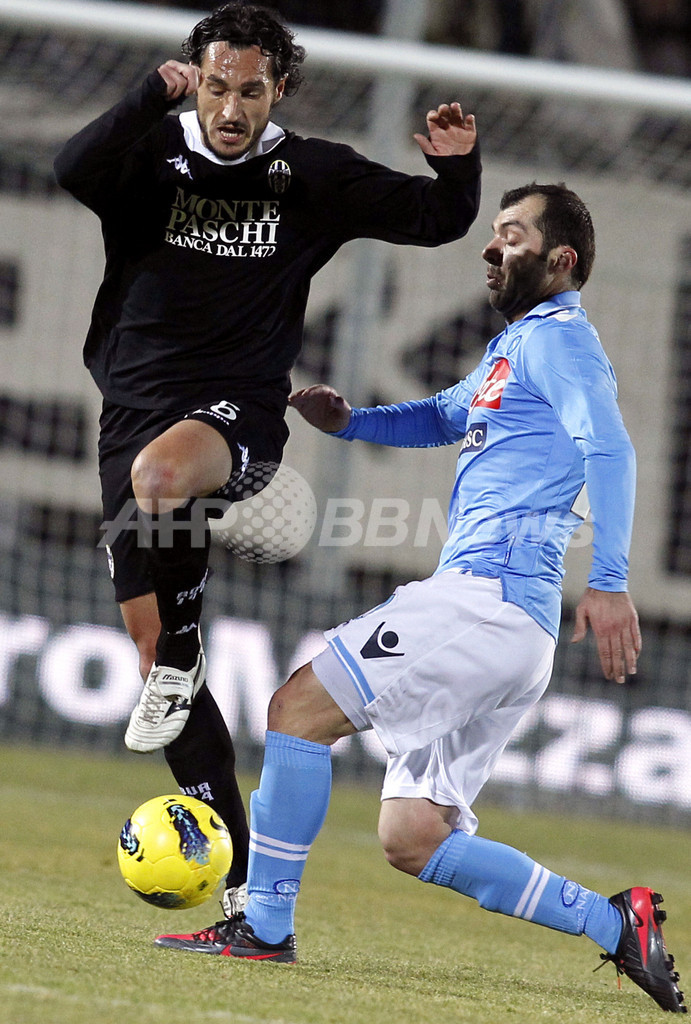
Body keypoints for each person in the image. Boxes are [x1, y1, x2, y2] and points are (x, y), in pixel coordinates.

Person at [154, 183, 686, 1015]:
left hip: (485, 600)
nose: (491, 247)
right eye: (493, 232)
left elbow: (610, 449)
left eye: (512, 236)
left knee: (296, 708)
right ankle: (615, 922)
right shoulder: (519, 346)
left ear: (560, 260)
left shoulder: (561, 342)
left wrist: (611, 581)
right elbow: (444, 414)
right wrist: (353, 422)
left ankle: (262, 925)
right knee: (413, 836)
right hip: (510, 626)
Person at [52, 3, 481, 915]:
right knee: (150, 658)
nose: (231, 108)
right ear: (194, 83)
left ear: (278, 89)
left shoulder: (309, 173)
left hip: (239, 413)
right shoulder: (152, 156)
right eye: (215, 87)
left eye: (250, 91)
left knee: (164, 486)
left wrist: (457, 167)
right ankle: (247, 885)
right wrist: (147, 98)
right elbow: (72, 168)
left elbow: (436, 218)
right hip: (130, 415)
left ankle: (184, 649)